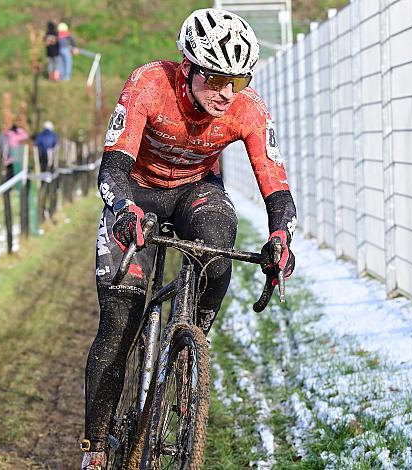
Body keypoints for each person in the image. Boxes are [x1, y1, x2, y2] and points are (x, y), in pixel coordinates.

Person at [81, 8, 297, 469]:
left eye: (236, 82)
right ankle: (95, 449)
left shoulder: (248, 107)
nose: (225, 94)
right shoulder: (149, 83)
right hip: (136, 190)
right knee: (119, 324)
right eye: (215, 79)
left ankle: (190, 346)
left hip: (196, 192)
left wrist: (281, 237)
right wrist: (122, 210)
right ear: (189, 69)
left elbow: (276, 185)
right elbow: (111, 170)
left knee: (218, 244)